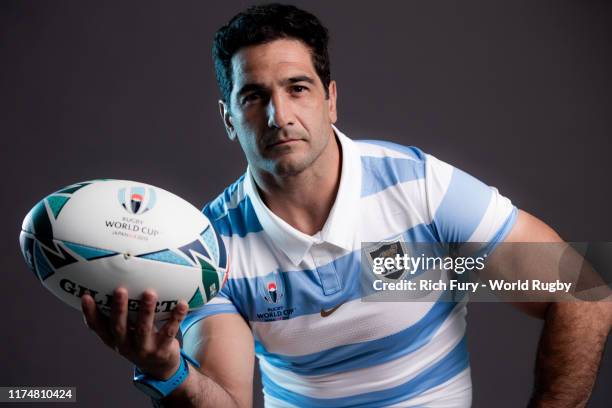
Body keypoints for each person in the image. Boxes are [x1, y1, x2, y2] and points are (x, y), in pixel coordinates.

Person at [81, 3, 612, 407]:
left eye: (297, 88)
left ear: (330, 99)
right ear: (228, 118)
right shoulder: (209, 246)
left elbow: (584, 292)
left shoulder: (417, 188)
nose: (278, 115)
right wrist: (169, 371)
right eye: (254, 97)